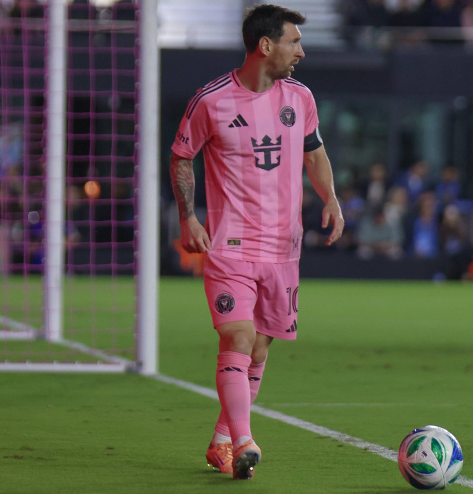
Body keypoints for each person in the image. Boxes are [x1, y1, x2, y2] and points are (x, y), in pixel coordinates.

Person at [169, 5, 344, 479]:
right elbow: (182, 156)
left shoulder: (300, 98)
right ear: (266, 46)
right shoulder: (211, 100)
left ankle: (223, 440)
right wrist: (189, 216)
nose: (301, 52)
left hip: (284, 248)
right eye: (294, 42)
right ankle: (245, 439)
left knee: (260, 350)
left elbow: (315, 151)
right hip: (231, 245)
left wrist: (331, 198)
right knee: (238, 337)